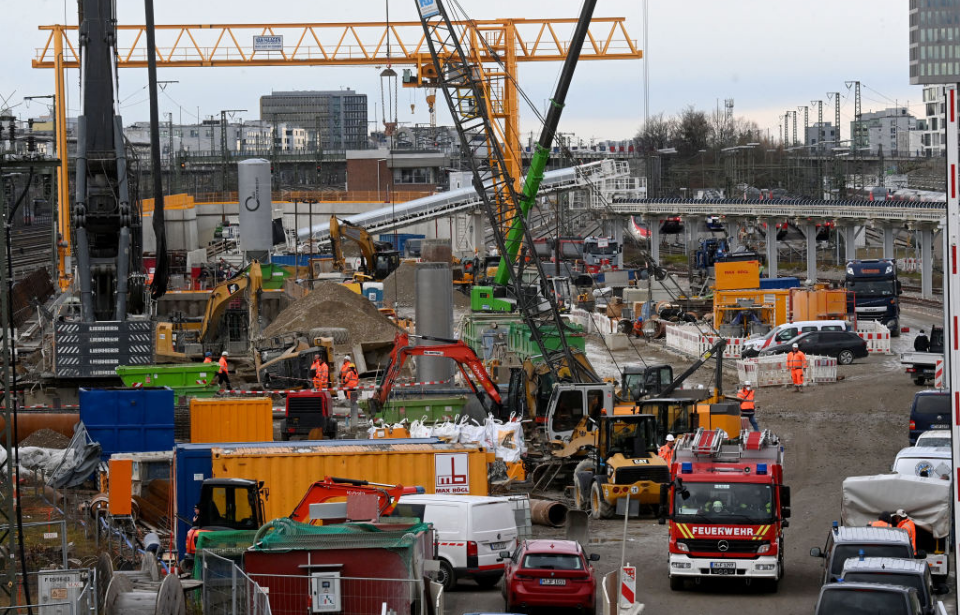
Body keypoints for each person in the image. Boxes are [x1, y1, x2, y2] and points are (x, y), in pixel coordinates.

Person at [340, 355, 360, 426]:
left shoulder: (349, 373)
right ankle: (354, 418)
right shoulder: (356, 374)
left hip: (348, 389)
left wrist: (342, 382)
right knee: (354, 404)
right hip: (354, 389)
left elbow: (345, 380)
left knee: (348, 404)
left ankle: (347, 422)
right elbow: (357, 381)